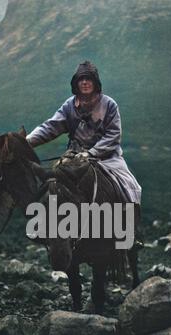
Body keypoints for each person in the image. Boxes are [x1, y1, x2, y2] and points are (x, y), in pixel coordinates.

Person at [27, 60, 142, 245]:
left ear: (96, 82)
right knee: (50, 185)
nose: (85, 82)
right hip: (74, 157)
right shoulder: (69, 106)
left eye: (89, 79)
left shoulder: (109, 104)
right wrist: (26, 143)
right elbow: (51, 127)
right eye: (81, 79)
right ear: (76, 83)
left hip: (107, 158)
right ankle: (44, 229)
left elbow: (114, 135)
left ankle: (130, 234)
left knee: (130, 185)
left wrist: (92, 153)